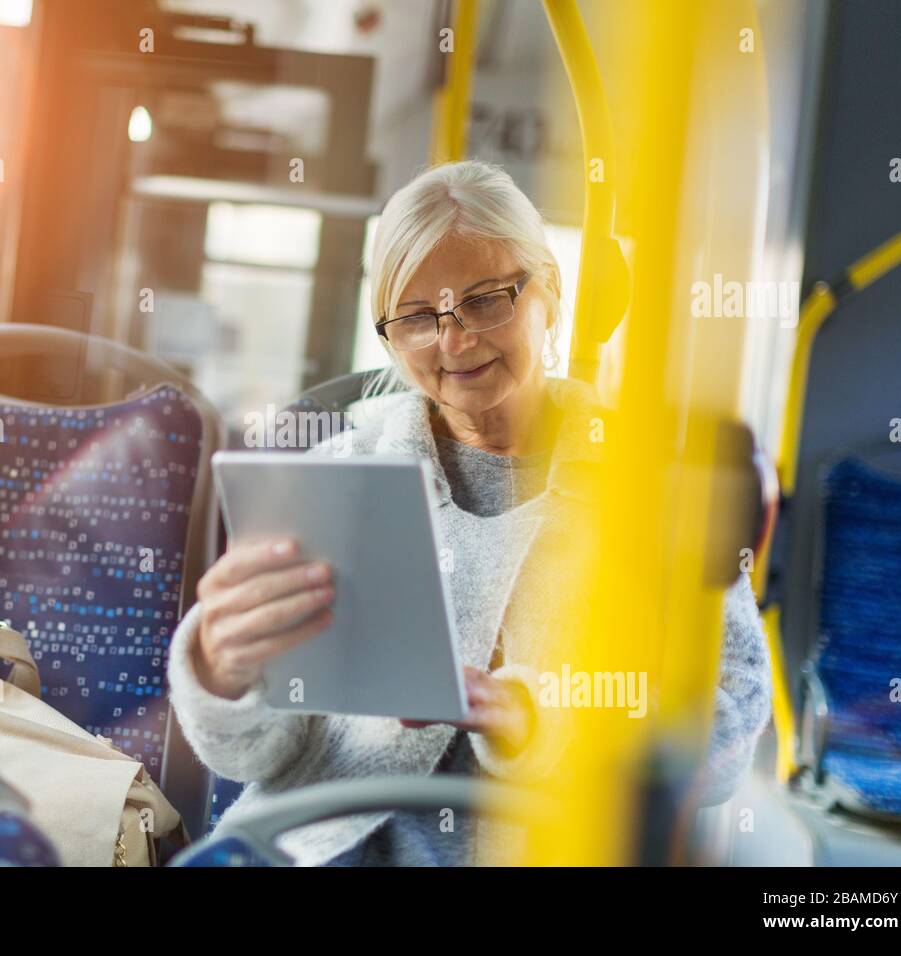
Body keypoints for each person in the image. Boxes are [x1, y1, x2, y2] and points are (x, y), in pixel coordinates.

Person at [166, 160, 773, 866]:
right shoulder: (336, 468)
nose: (455, 341)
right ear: (389, 337)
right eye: (419, 317)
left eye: (487, 300)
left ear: (549, 291)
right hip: (320, 841)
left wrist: (547, 725)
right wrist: (221, 670)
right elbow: (253, 753)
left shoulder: (650, 483)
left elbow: (726, 730)